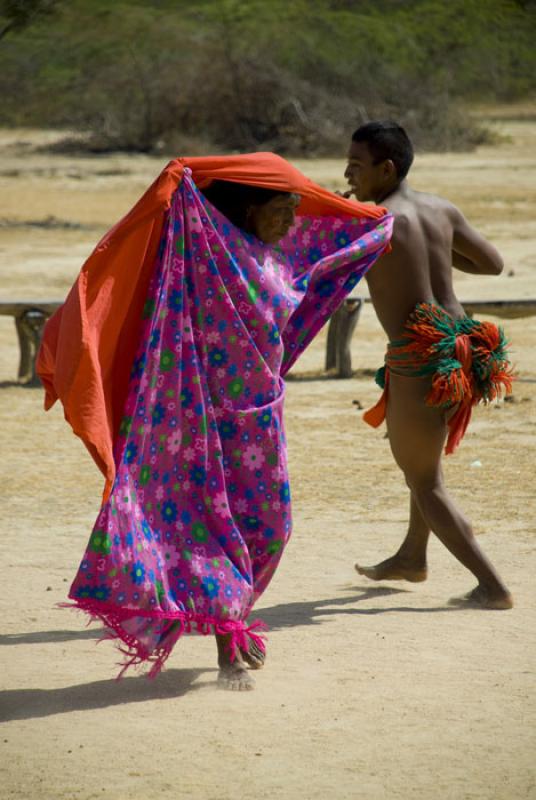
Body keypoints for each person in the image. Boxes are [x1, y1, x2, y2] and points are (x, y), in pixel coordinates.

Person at [37, 153, 393, 690]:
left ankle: (231, 617)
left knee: (270, 527)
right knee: (205, 527)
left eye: (296, 209)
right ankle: (230, 635)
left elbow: (333, 256)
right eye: (283, 208)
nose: (293, 222)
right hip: (197, 415)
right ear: (249, 207)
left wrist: (379, 224)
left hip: (259, 419)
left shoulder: (277, 257)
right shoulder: (206, 255)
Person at [343, 121, 514, 610]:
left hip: (420, 358)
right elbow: (493, 263)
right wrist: (436, 254)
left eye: (356, 166)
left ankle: (493, 586)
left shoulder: (372, 221)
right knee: (423, 465)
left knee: (425, 481)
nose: (349, 174)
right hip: (464, 349)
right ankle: (412, 557)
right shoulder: (441, 209)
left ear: (386, 168)